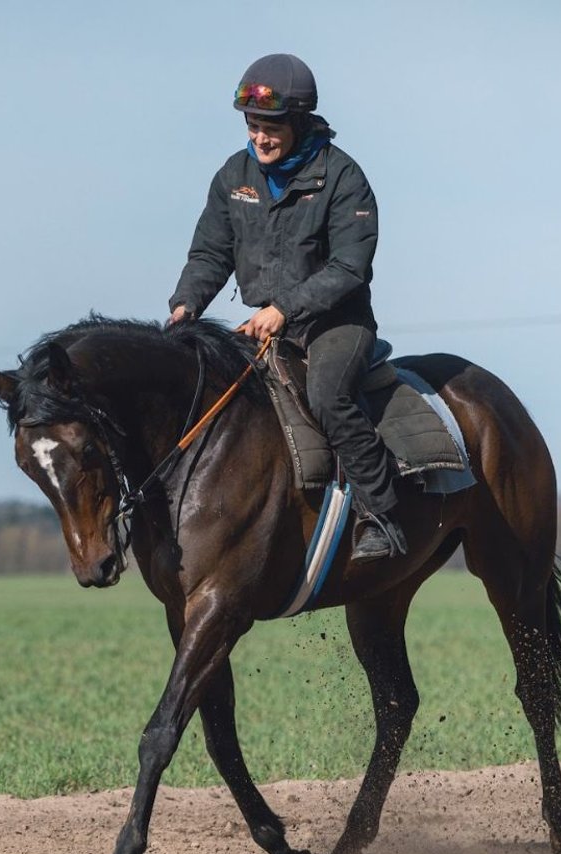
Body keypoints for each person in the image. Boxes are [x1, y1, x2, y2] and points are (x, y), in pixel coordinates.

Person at [168, 53, 406, 561]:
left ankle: (382, 515)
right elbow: (211, 253)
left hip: (337, 324)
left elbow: (349, 268)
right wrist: (186, 305)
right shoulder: (234, 176)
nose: (259, 138)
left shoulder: (344, 178)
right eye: (252, 126)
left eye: (270, 127)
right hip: (264, 325)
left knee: (327, 397)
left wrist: (284, 309)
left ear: (297, 121)